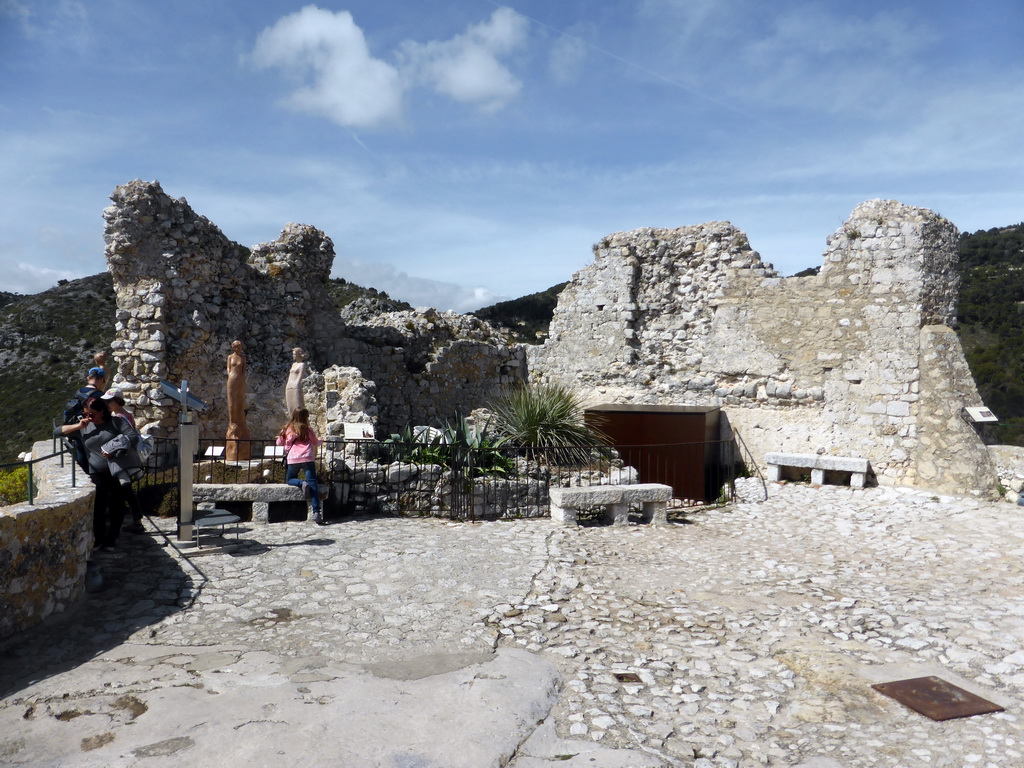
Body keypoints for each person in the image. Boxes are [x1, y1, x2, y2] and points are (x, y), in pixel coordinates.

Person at [54, 396, 140, 550]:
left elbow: (132, 437)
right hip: (96, 471)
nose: (88, 417)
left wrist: (115, 449)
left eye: (92, 414)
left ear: (102, 411)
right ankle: (99, 538)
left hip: (117, 470)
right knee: (98, 507)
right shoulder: (85, 426)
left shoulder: (116, 422)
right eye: (86, 414)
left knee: (116, 505)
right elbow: (57, 432)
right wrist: (78, 426)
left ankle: (111, 540)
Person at [102, 388, 145, 533]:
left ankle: (135, 521)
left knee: (125, 490)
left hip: (120, 458)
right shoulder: (127, 415)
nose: (107, 403)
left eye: (109, 401)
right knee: (127, 490)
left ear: (118, 401)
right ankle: (136, 520)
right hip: (125, 456)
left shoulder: (120, 418)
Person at [276, 407, 323, 525]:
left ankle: (301, 483)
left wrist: (281, 437)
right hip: (307, 458)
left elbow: (279, 443)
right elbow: (316, 442)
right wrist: (321, 440)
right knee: (313, 484)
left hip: (293, 458)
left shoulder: (288, 429)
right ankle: (317, 512)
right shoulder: (307, 429)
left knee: (290, 479)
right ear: (305, 417)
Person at [64, 366, 108, 472]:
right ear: (102, 379)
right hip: (90, 427)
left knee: (80, 450)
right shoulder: (99, 395)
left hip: (76, 426)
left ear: (89, 378)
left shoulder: (79, 391)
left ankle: (81, 473)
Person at [225, 339, 251, 461]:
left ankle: (240, 426)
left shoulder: (243, 358)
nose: (237, 349)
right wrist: (232, 378)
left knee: (240, 404)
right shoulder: (230, 357)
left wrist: (241, 382)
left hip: (240, 380)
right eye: (236, 346)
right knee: (232, 404)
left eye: (239, 347)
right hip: (231, 380)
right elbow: (228, 370)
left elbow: (244, 371)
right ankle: (233, 426)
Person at [285, 347, 307, 414]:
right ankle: (292, 421)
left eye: (295, 354)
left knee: (297, 405)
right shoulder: (293, 364)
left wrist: (296, 385)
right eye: (293, 354)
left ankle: (301, 421)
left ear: (299, 354)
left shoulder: (302, 365)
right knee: (290, 406)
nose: (293, 356)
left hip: (296, 386)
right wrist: (288, 385)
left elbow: (300, 377)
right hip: (289, 386)